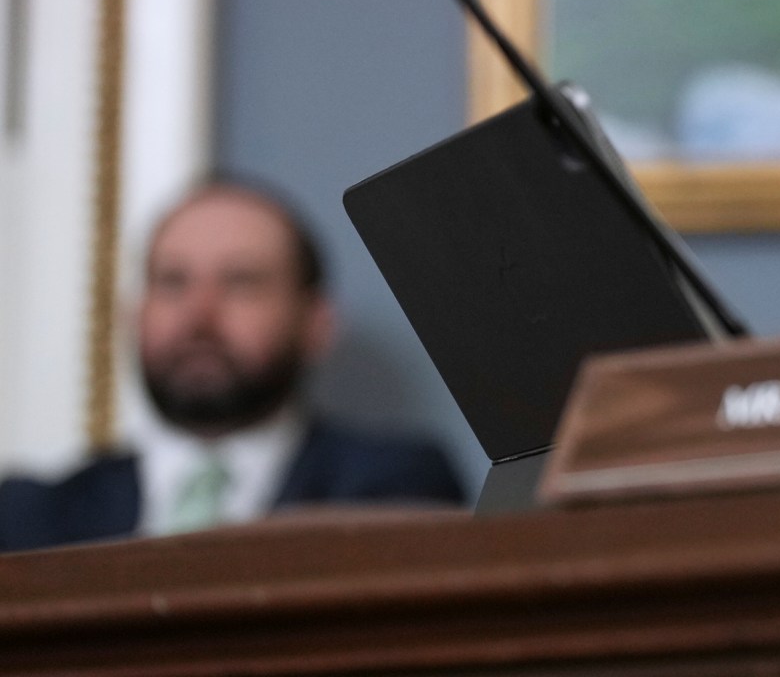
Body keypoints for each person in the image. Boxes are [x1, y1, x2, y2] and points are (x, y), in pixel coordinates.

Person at [0, 177, 462, 551]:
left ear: (316, 324)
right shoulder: (30, 518)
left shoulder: (394, 487)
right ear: (133, 317)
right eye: (173, 282)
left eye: (240, 282)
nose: (199, 316)